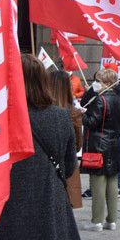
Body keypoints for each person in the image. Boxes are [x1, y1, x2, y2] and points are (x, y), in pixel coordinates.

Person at [0, 55, 86, 240]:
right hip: (51, 205)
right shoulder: (61, 116)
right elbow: (70, 166)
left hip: (9, 209)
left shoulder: (1, 118)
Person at [80, 67, 120, 231]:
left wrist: (82, 114)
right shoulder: (119, 99)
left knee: (98, 183)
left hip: (98, 144)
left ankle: (96, 221)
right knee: (112, 181)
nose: (96, 84)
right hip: (114, 143)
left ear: (106, 82)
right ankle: (111, 220)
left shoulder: (100, 99)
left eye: (99, 81)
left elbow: (92, 122)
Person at [49, 70, 84, 209]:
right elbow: (77, 145)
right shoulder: (73, 112)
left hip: (47, 166)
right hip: (68, 166)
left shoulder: (42, 110)